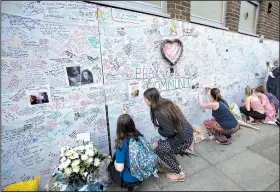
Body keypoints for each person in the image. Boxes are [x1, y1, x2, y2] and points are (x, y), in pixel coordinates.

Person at [143, 88, 194, 182]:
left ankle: (179, 174)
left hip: (183, 138)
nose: (145, 101)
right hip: (188, 134)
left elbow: (169, 132)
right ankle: (177, 166)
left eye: (145, 99)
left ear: (150, 100)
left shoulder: (159, 112)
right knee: (163, 147)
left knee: (159, 150)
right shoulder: (166, 102)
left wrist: (159, 130)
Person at [110, 108, 142, 191]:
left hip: (130, 179)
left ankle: (130, 186)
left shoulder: (121, 143)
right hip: (142, 172)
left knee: (111, 167)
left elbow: (120, 168)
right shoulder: (139, 135)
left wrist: (115, 162)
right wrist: (124, 115)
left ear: (119, 128)